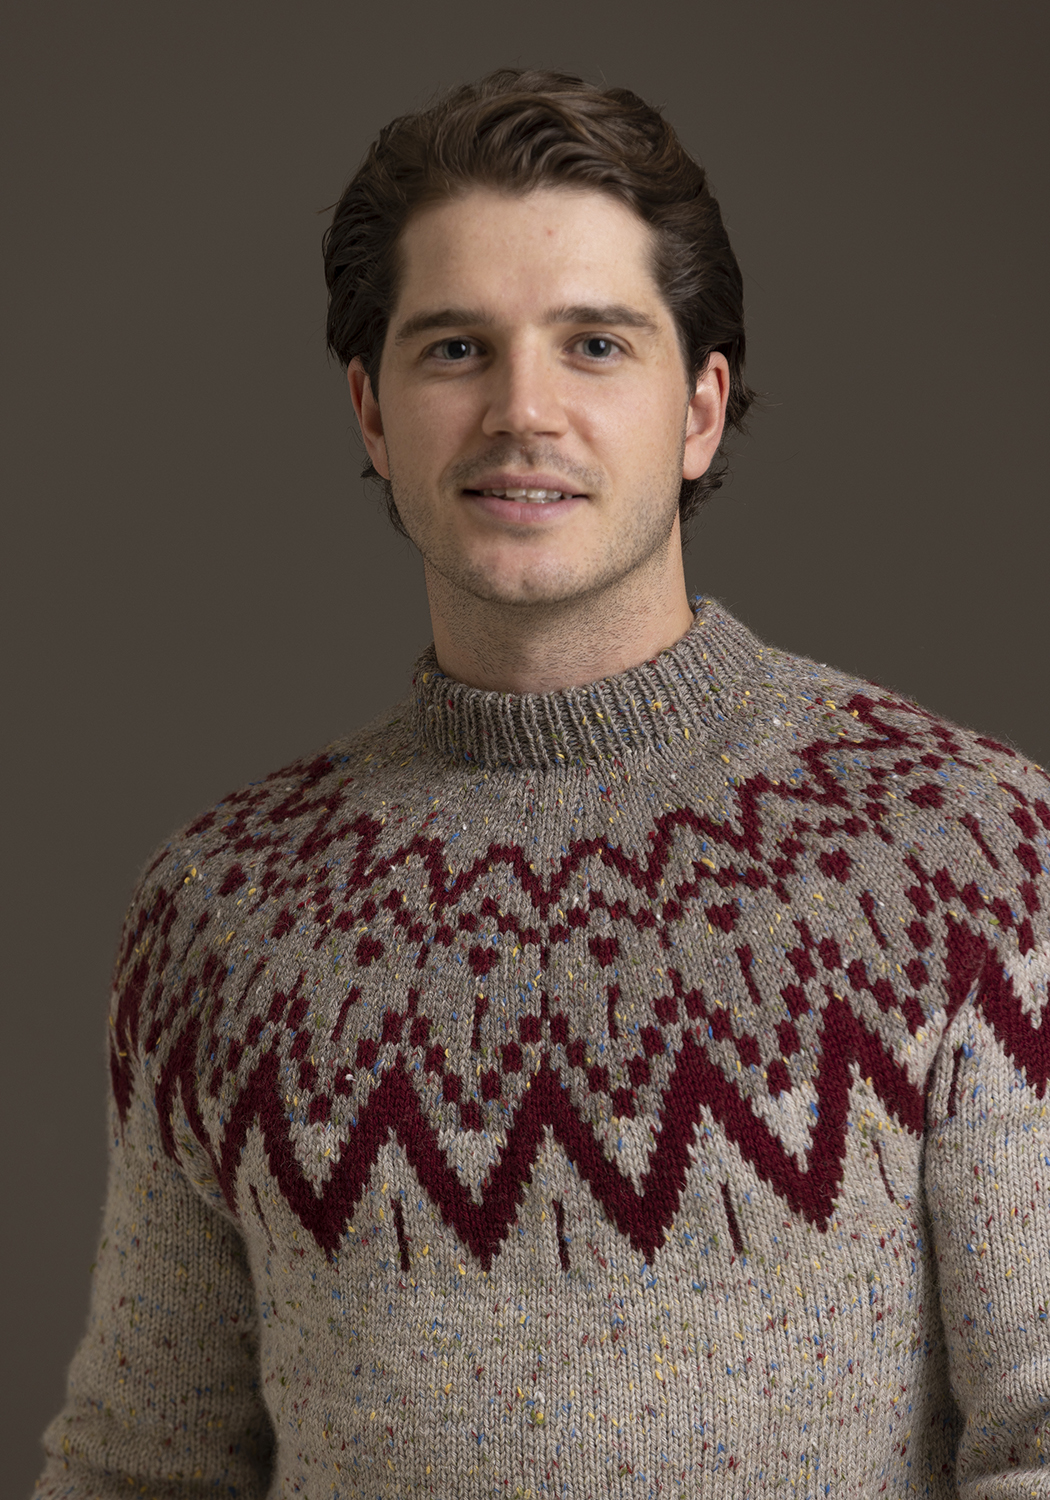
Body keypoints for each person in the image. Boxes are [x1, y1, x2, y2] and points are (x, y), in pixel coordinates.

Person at [33, 68, 1050, 1499]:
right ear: (371, 412)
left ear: (699, 410)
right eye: (456, 348)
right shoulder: (223, 915)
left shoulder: (966, 853)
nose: (522, 410)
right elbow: (143, 1466)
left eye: (594, 345)